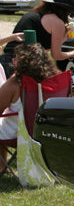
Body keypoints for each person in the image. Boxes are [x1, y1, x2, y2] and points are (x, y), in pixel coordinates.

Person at [0, 43, 59, 174]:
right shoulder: (55, 80)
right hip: (47, 132)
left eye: (15, 59)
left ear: (22, 63)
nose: (13, 62)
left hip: (19, 134)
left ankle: (1, 166)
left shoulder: (15, 84)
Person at [3, 0, 74, 65]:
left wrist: (61, 40)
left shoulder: (33, 14)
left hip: (6, 60)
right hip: (20, 64)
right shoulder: (57, 22)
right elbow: (56, 55)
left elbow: (39, 49)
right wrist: (72, 53)